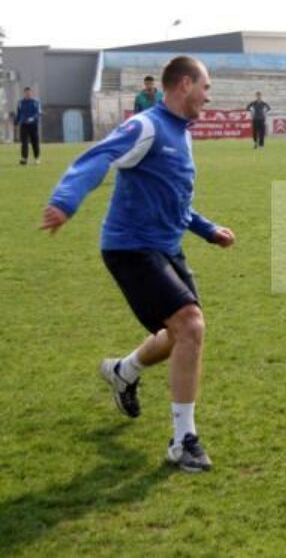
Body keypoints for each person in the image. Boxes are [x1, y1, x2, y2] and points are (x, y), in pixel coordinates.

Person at [40, 56, 236, 471]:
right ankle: (183, 441)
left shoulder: (180, 133)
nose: (209, 95)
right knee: (190, 326)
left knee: (180, 332)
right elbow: (97, 157)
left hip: (165, 246)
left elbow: (174, 199)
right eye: (206, 86)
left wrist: (207, 229)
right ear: (184, 84)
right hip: (130, 248)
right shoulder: (147, 125)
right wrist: (64, 201)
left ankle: (123, 371)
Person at [16, 87, 42, 165]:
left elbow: (38, 113)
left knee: (35, 142)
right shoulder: (20, 102)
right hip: (24, 125)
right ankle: (24, 158)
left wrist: (32, 118)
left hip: (33, 125)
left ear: (31, 93)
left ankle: (36, 158)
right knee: (24, 142)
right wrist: (16, 122)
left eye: (29, 92)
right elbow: (19, 113)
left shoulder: (36, 102)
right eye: (26, 92)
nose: (27, 94)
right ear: (24, 93)